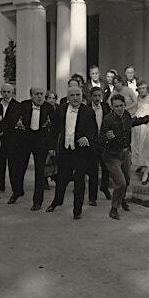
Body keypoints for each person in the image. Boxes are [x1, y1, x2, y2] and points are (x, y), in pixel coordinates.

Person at [99, 94, 149, 220]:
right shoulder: (108, 119)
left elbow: (133, 122)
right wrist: (107, 136)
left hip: (125, 153)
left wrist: (148, 118)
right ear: (112, 107)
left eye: (121, 106)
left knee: (126, 181)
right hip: (111, 156)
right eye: (116, 106)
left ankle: (121, 199)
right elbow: (101, 137)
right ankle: (114, 209)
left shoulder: (126, 115)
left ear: (124, 106)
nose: (119, 108)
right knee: (120, 183)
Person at [46, 84, 97, 220]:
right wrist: (51, 148)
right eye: (72, 95)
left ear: (82, 96)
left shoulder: (88, 111)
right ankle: (57, 201)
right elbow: (54, 130)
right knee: (61, 178)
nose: (75, 98)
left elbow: (93, 131)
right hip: (65, 150)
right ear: (68, 97)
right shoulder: (61, 110)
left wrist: (86, 137)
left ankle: (77, 210)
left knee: (79, 181)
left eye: (78, 95)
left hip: (81, 152)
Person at [9, 86, 55, 211]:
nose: (40, 96)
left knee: (40, 172)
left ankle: (37, 201)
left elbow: (53, 130)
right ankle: (17, 191)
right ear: (31, 95)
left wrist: (51, 147)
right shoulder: (23, 106)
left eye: (41, 94)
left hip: (41, 142)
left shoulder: (49, 108)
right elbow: (13, 122)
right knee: (19, 168)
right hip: (25, 141)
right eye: (37, 94)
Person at [131, 79, 149, 184]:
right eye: (139, 89)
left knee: (147, 147)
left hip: (148, 125)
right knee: (139, 146)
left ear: (147, 88)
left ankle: (146, 171)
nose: (142, 90)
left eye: (143, 88)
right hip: (139, 126)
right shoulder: (138, 98)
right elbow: (136, 110)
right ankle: (142, 163)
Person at [0, 83, 21, 193]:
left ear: (12, 93)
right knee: (0, 162)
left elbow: (12, 122)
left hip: (11, 139)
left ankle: (16, 188)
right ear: (1, 92)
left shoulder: (17, 106)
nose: (6, 94)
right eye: (4, 92)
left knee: (13, 164)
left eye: (8, 92)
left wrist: (2, 129)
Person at [88, 86, 111, 204]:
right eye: (95, 96)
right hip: (91, 144)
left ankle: (105, 187)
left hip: (103, 142)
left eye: (99, 96)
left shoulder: (106, 107)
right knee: (93, 170)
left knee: (106, 168)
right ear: (91, 97)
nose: (97, 98)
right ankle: (92, 197)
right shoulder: (86, 109)